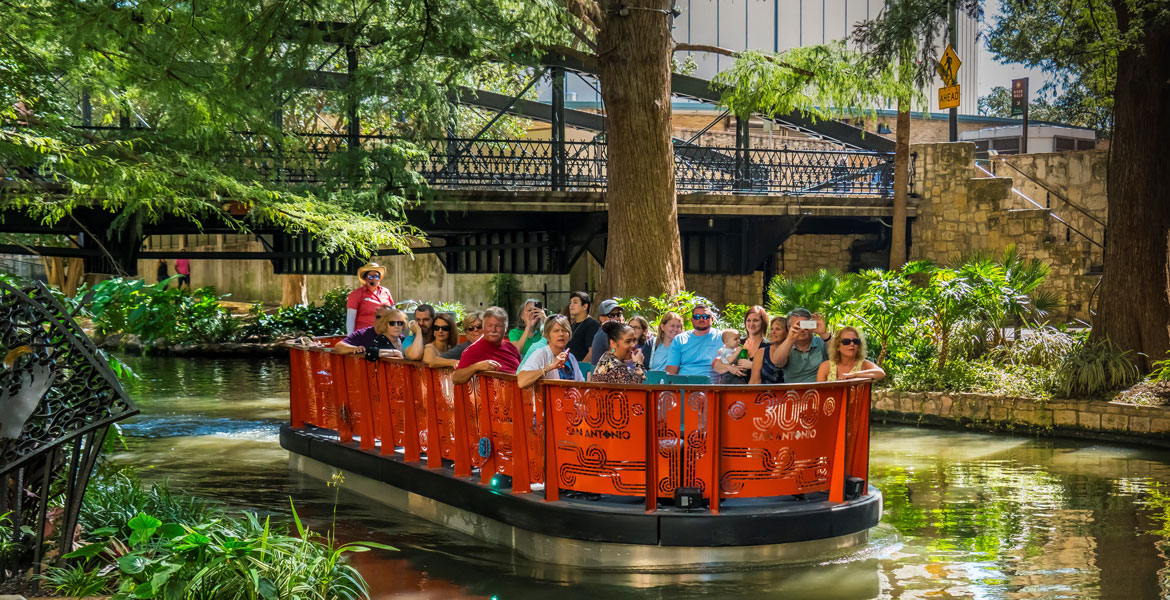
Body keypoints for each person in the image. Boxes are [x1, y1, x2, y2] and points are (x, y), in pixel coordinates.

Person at [453, 307, 521, 384]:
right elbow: (456, 378)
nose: (493, 330)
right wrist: (476, 367)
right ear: (484, 327)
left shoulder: (511, 347)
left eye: (498, 326)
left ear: (506, 328)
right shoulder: (472, 350)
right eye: (489, 325)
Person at [517, 315, 585, 388]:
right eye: (556, 331)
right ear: (547, 336)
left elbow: (581, 384)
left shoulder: (571, 358)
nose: (561, 334)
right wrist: (550, 367)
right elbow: (522, 381)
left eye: (565, 330)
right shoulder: (541, 354)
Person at [665, 304, 724, 383]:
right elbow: (671, 371)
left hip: (711, 388)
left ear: (712, 319)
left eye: (705, 316)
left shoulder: (722, 338)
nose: (701, 319)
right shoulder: (680, 339)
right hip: (683, 387)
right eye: (697, 316)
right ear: (692, 320)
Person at [773, 308, 831, 384]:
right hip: (793, 392)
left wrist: (824, 334)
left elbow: (840, 356)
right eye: (797, 326)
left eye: (805, 325)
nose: (802, 330)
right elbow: (777, 362)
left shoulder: (821, 342)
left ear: (812, 325)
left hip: (819, 390)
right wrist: (790, 339)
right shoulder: (786, 346)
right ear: (788, 328)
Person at [333, 306, 406, 359]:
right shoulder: (363, 334)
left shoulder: (399, 337)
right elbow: (338, 347)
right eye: (378, 317)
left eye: (386, 318)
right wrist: (354, 348)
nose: (381, 320)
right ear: (374, 318)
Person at [817, 327, 886, 382]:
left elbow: (881, 373)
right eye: (846, 342)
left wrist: (854, 375)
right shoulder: (825, 366)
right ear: (837, 346)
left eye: (856, 341)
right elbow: (819, 393)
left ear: (859, 346)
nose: (852, 344)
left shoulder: (864, 364)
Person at [346, 262, 394, 334]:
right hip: (364, 334)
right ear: (365, 278)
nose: (373, 279)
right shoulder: (356, 294)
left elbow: (393, 312)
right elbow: (350, 318)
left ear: (379, 279)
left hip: (384, 333)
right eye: (370, 277)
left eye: (376, 277)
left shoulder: (386, 292)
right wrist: (350, 338)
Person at [750, 315, 788, 384]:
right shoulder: (762, 352)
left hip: (788, 393)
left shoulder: (793, 351)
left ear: (787, 333)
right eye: (771, 329)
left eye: (778, 329)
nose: (773, 332)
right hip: (764, 393)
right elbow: (754, 381)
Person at [586, 298, 624, 363]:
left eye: (618, 314)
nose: (616, 318)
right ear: (602, 319)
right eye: (611, 315)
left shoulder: (610, 333)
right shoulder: (605, 334)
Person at [566, 291, 599, 362]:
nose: (571, 305)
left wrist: (580, 367)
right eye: (570, 302)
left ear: (585, 306)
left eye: (575, 302)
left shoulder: (592, 325)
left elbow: (592, 352)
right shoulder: (573, 324)